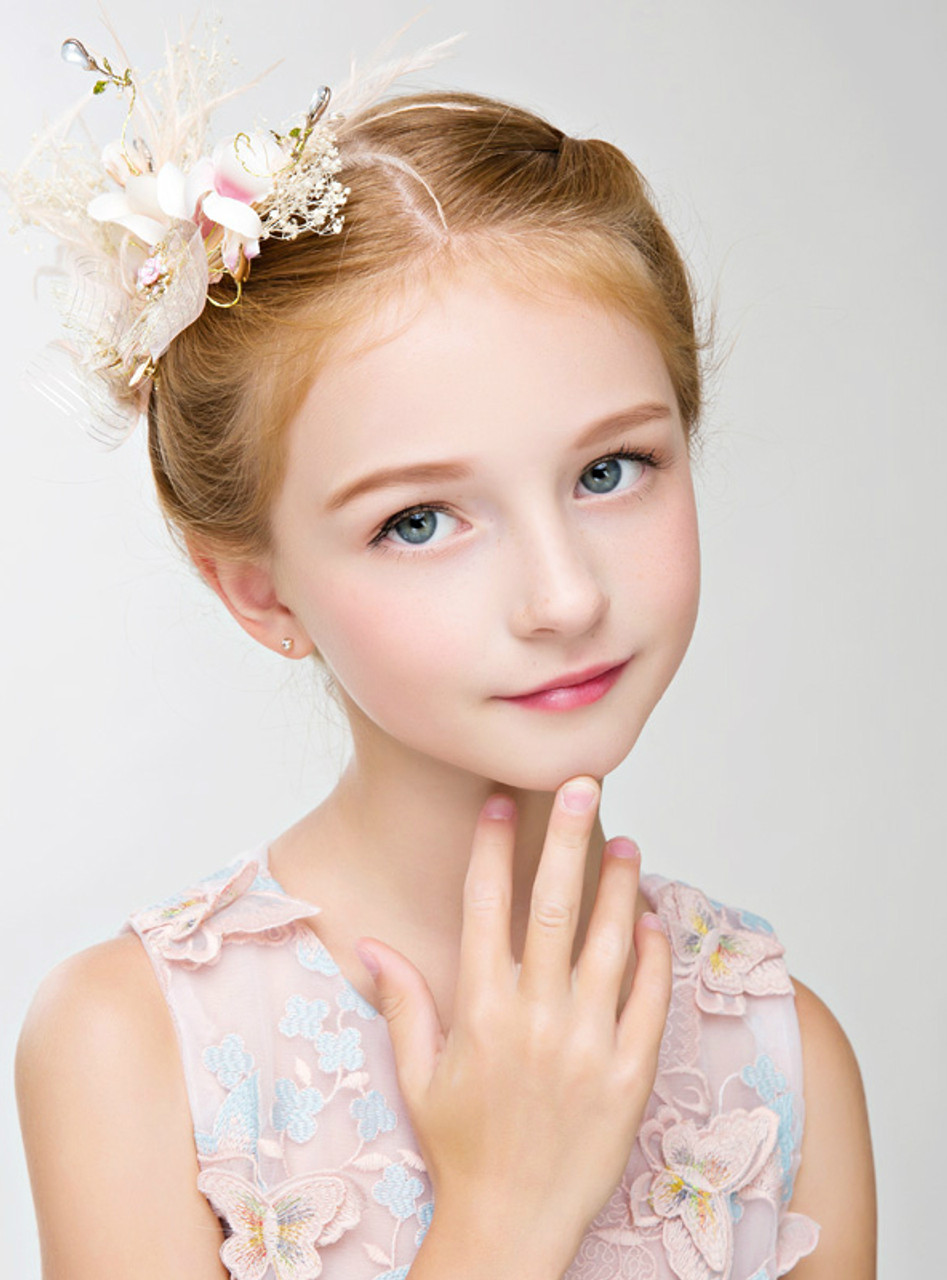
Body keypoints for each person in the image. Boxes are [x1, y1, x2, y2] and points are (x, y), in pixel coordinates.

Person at [11, 29, 875, 1280]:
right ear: (256, 591)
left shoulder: (774, 1054)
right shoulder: (131, 1045)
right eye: (417, 520)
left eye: (608, 469)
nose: (562, 593)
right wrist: (502, 1216)